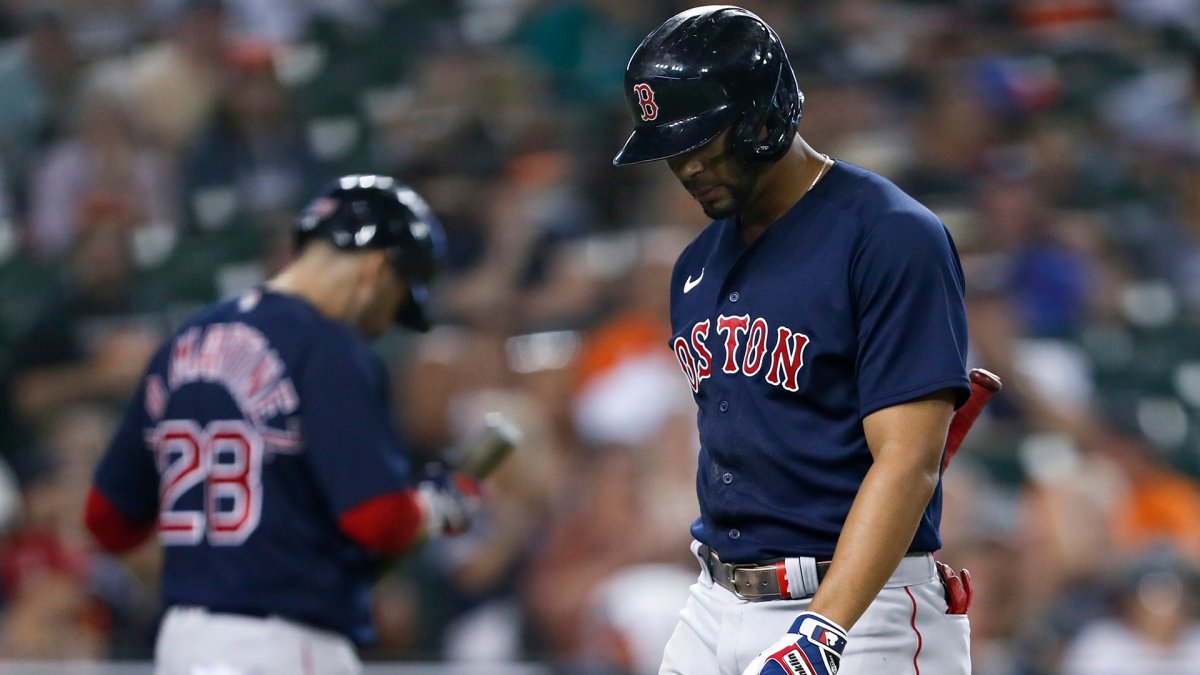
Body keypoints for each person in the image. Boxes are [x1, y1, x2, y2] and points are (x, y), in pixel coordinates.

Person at [612, 7, 973, 675]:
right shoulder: (695, 263)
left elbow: (908, 462)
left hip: (857, 611)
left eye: (704, 140)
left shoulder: (889, 235)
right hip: (715, 598)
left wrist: (821, 632)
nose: (687, 166)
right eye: (673, 149)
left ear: (763, 114)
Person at [83, 175, 481, 673]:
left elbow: (107, 520)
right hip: (280, 645)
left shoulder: (184, 341)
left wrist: (215, 562)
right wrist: (440, 503)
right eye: (397, 299)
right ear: (376, 270)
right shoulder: (327, 346)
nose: (385, 323)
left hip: (184, 641)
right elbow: (378, 518)